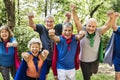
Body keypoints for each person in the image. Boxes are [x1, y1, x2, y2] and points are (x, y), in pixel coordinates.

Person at [71, 4, 115, 80]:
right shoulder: (82, 30)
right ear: (86, 25)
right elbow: (77, 21)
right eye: (89, 26)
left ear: (96, 27)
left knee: (93, 72)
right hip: (84, 61)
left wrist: (111, 17)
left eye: (93, 26)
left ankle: (90, 72)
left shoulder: (98, 32)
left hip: (95, 61)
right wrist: (73, 11)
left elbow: (108, 26)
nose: (91, 28)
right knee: (87, 78)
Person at [28, 11, 71, 79]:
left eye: (51, 21)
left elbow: (66, 24)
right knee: (43, 76)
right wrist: (30, 18)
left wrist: (68, 17)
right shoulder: (42, 28)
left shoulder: (58, 28)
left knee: (57, 76)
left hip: (57, 57)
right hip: (45, 57)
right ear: (45, 22)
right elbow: (32, 25)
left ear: (53, 22)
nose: (49, 23)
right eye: (47, 21)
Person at [104, 12, 120, 80]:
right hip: (118, 57)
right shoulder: (119, 29)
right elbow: (114, 27)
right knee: (118, 74)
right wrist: (113, 18)